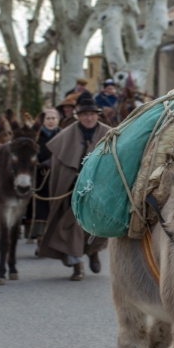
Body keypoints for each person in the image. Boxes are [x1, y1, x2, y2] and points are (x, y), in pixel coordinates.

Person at [39, 98, 110, 281]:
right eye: (85, 114)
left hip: (99, 191)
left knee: (98, 227)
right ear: (78, 116)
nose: (89, 118)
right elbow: (59, 165)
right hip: (73, 191)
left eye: (92, 114)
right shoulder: (66, 135)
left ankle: (93, 253)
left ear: (97, 115)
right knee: (73, 226)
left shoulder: (109, 134)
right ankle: (78, 265)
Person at [24, 108, 62, 254]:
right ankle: (40, 240)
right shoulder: (36, 135)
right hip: (39, 177)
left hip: (57, 176)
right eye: (48, 118)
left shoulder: (63, 134)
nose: (51, 121)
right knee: (39, 207)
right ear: (43, 121)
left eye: (53, 118)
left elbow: (66, 151)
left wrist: (52, 161)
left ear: (58, 120)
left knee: (55, 207)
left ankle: (54, 241)